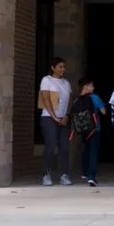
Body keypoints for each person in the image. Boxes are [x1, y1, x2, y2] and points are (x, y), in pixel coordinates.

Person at [38, 57, 73, 186]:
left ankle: (65, 175)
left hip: (63, 119)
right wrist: (54, 117)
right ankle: (46, 175)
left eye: (64, 67)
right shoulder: (47, 80)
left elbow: (69, 101)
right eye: (60, 67)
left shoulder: (66, 83)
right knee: (51, 145)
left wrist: (67, 116)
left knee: (64, 147)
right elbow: (46, 99)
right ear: (53, 68)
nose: (63, 69)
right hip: (49, 118)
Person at [73, 77, 107, 187]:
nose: (93, 87)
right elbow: (104, 112)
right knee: (93, 152)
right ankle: (91, 177)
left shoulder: (76, 100)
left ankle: (85, 172)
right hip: (94, 129)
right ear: (86, 87)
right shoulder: (95, 97)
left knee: (85, 150)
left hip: (82, 130)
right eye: (92, 85)